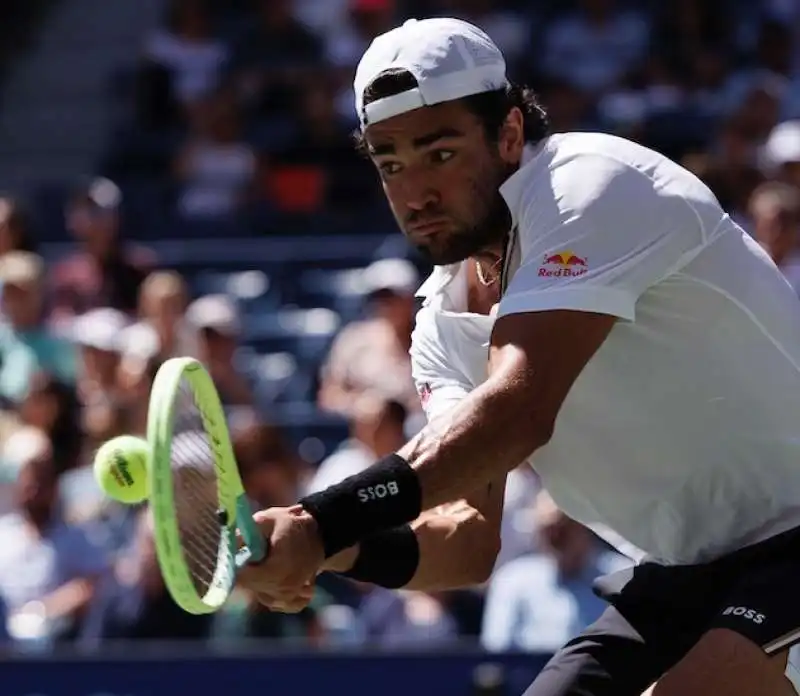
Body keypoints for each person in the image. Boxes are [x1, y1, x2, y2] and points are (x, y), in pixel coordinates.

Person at [238, 17, 800, 696]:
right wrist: (327, 548)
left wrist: (319, 520)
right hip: (686, 571)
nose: (414, 193)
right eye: (390, 164)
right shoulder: (443, 325)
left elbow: (518, 412)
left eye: (438, 153)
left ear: (508, 133)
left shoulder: (590, 185)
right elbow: (467, 540)